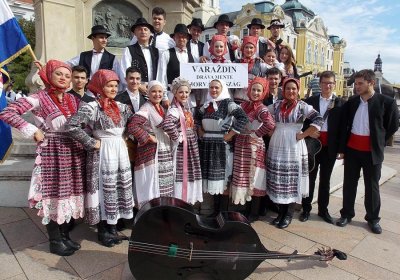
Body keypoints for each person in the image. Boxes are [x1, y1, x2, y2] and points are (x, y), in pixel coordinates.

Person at [0, 60, 86, 256]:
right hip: (52, 153)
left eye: (67, 75)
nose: (64, 78)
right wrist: (33, 130)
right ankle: (55, 241)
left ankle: (65, 236)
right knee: (54, 195)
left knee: (69, 195)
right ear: (48, 76)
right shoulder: (39, 97)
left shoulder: (73, 100)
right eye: (59, 74)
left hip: (73, 152)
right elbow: (7, 112)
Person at [66, 69, 134, 247]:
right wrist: (91, 142)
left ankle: (112, 228)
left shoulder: (122, 107)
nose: (113, 89)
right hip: (103, 152)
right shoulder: (92, 107)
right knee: (105, 189)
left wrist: (125, 137)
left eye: (115, 86)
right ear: (99, 86)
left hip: (119, 150)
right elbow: (71, 126)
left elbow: (130, 125)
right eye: (109, 85)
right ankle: (103, 230)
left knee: (118, 187)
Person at [336, 69, 399, 234]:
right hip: (352, 151)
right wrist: (342, 149)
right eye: (356, 84)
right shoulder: (352, 102)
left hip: (372, 152)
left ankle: (372, 219)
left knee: (372, 187)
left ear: (371, 83)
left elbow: (392, 125)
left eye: (360, 83)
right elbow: (345, 126)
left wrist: (380, 140)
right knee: (349, 184)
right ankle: (346, 214)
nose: (356, 87)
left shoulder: (386, 102)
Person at [266, 77, 323, 229]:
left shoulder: (303, 107)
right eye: (287, 88)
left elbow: (319, 119)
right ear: (283, 90)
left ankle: (288, 214)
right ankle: (280, 213)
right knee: (279, 177)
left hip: (294, 144)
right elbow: (263, 114)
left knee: (291, 178)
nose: (290, 91)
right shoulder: (277, 105)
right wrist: (269, 129)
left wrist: (303, 134)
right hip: (277, 143)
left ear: (298, 91)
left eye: (293, 89)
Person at [196, 79, 248, 216]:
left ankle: (223, 213)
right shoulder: (206, 105)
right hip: (207, 144)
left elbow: (243, 118)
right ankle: (215, 211)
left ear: (222, 88)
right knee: (212, 179)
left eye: (216, 88)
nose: (213, 90)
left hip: (221, 145)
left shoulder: (228, 103)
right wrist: (199, 129)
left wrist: (231, 134)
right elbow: (196, 118)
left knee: (222, 179)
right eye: (211, 87)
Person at [299, 71, 345, 224]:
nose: (328, 85)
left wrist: (341, 149)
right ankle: (306, 209)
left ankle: (323, 210)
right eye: (325, 82)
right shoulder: (310, 100)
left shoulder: (340, 103)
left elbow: (343, 127)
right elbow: (302, 122)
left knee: (325, 180)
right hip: (313, 145)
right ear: (320, 84)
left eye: (330, 82)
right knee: (310, 178)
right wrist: (308, 133)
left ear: (334, 84)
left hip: (330, 147)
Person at [231, 77, 275, 222]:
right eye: (254, 89)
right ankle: (244, 208)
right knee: (243, 175)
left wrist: (255, 134)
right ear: (249, 90)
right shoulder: (243, 105)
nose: (256, 93)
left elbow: (270, 124)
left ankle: (254, 212)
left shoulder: (261, 109)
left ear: (263, 92)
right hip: (241, 143)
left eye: (259, 90)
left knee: (254, 177)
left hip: (253, 146)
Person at [128, 80, 174, 207]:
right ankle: (150, 211)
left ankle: (162, 210)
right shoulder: (146, 108)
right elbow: (132, 126)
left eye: (160, 91)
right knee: (151, 181)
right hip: (151, 150)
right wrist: (148, 137)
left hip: (163, 147)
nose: (157, 94)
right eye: (154, 91)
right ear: (148, 93)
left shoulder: (161, 108)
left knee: (162, 182)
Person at [163, 77, 203, 204]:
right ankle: (180, 200)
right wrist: (178, 136)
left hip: (191, 144)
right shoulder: (175, 109)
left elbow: (191, 123)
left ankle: (188, 200)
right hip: (182, 147)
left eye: (186, 92)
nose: (184, 94)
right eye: (181, 92)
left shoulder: (186, 108)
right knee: (182, 171)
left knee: (191, 171)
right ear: (175, 93)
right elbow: (168, 124)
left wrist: (195, 129)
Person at [157, 24, 194, 107]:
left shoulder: (192, 55)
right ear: (174, 38)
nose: (181, 39)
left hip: (189, 99)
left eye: (184, 37)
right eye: (178, 36)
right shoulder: (166, 54)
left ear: (187, 38)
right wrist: (164, 97)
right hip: (172, 97)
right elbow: (162, 76)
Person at [120, 18, 159, 91]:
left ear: (150, 33)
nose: (143, 32)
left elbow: (160, 72)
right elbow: (124, 71)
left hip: (153, 91)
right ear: (135, 33)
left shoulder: (156, 51)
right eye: (140, 29)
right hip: (135, 89)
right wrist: (139, 86)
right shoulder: (129, 50)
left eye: (145, 29)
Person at [232, 35, 269, 104]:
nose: (249, 50)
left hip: (252, 101)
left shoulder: (260, 63)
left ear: (254, 49)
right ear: (243, 48)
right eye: (246, 47)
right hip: (238, 99)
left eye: (251, 47)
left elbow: (268, 75)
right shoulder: (236, 63)